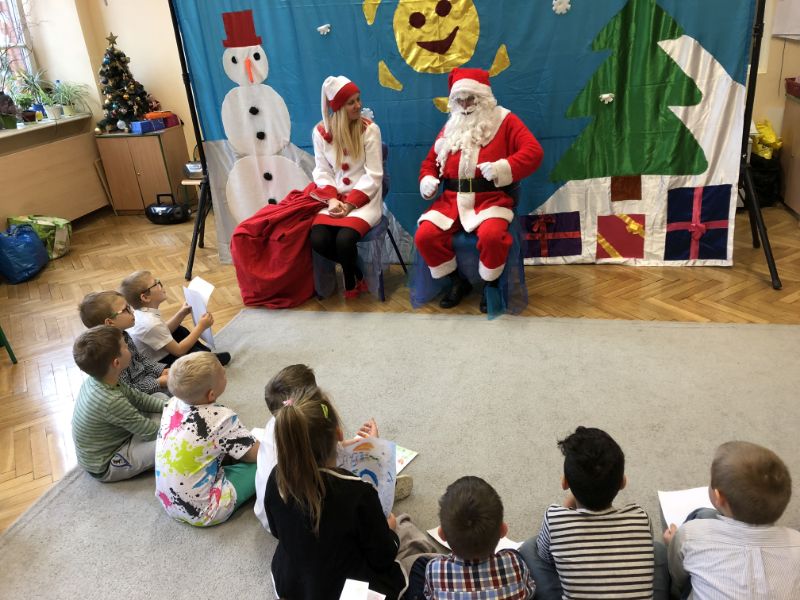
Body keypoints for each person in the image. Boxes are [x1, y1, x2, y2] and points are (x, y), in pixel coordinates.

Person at [265, 387, 433, 600]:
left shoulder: (276, 476)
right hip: (345, 591)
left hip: (292, 585)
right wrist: (389, 530)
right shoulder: (358, 492)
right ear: (338, 434)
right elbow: (382, 558)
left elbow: (276, 531)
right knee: (407, 532)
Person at [415, 67, 543, 312]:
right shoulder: (451, 125)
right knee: (425, 236)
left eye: (470, 99)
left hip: (490, 200)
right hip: (451, 201)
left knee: (492, 237)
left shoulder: (505, 120)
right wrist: (427, 178)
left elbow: (533, 152)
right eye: (459, 100)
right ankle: (456, 281)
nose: (465, 105)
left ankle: (490, 284)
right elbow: (430, 161)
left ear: (484, 98)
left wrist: (501, 168)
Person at [254, 364, 411, 532]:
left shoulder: (283, 425)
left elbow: (318, 449)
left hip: (277, 522)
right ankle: (381, 491)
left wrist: (364, 444)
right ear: (338, 433)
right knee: (389, 518)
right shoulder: (346, 492)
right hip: (314, 518)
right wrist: (373, 450)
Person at [519, 426, 667, 600]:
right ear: (623, 482)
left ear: (565, 483)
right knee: (657, 549)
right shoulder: (640, 516)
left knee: (530, 547)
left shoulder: (554, 518)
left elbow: (546, 556)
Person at [663, 441, 800, 599]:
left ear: (719, 497)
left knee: (700, 516)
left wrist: (674, 542)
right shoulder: (796, 541)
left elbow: (678, 575)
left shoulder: (691, 534)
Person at [155, 352, 259, 526]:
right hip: (205, 512)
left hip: (169, 503)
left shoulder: (172, 403)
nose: (225, 373)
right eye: (223, 374)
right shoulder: (220, 418)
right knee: (266, 461)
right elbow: (256, 455)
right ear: (211, 395)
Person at [308, 75, 384, 298]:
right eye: (351, 102)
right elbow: (322, 170)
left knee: (344, 239)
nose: (358, 106)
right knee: (318, 239)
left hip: (365, 200)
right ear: (339, 108)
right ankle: (359, 272)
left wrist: (351, 204)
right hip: (335, 200)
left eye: (358, 99)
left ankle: (350, 281)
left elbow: (374, 174)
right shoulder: (320, 133)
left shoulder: (369, 130)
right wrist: (332, 200)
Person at [71, 325, 166, 482]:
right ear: (116, 362)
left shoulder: (104, 378)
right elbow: (150, 432)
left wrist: (171, 407)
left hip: (121, 435)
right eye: (124, 346)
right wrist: (177, 417)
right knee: (168, 444)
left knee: (159, 397)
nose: (128, 345)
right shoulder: (111, 400)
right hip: (109, 462)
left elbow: (139, 399)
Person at [424, 476, 535, 599]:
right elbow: (530, 590)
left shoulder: (434, 569)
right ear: (503, 530)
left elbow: (429, 595)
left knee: (420, 563)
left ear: (441, 534)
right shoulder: (514, 563)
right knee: (516, 552)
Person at [120, 270, 230, 367]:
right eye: (156, 283)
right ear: (145, 297)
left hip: (158, 352)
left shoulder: (142, 313)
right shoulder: (150, 323)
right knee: (187, 357)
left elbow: (164, 330)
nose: (161, 284)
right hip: (160, 363)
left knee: (179, 330)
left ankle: (205, 355)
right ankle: (208, 362)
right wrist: (201, 327)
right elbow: (179, 351)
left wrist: (181, 313)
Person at [78, 290, 169, 396]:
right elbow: (130, 392)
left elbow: (139, 358)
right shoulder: (111, 358)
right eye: (126, 309)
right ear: (110, 322)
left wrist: (160, 370)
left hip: (149, 379)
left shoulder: (123, 334)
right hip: (143, 394)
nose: (132, 311)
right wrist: (158, 382)